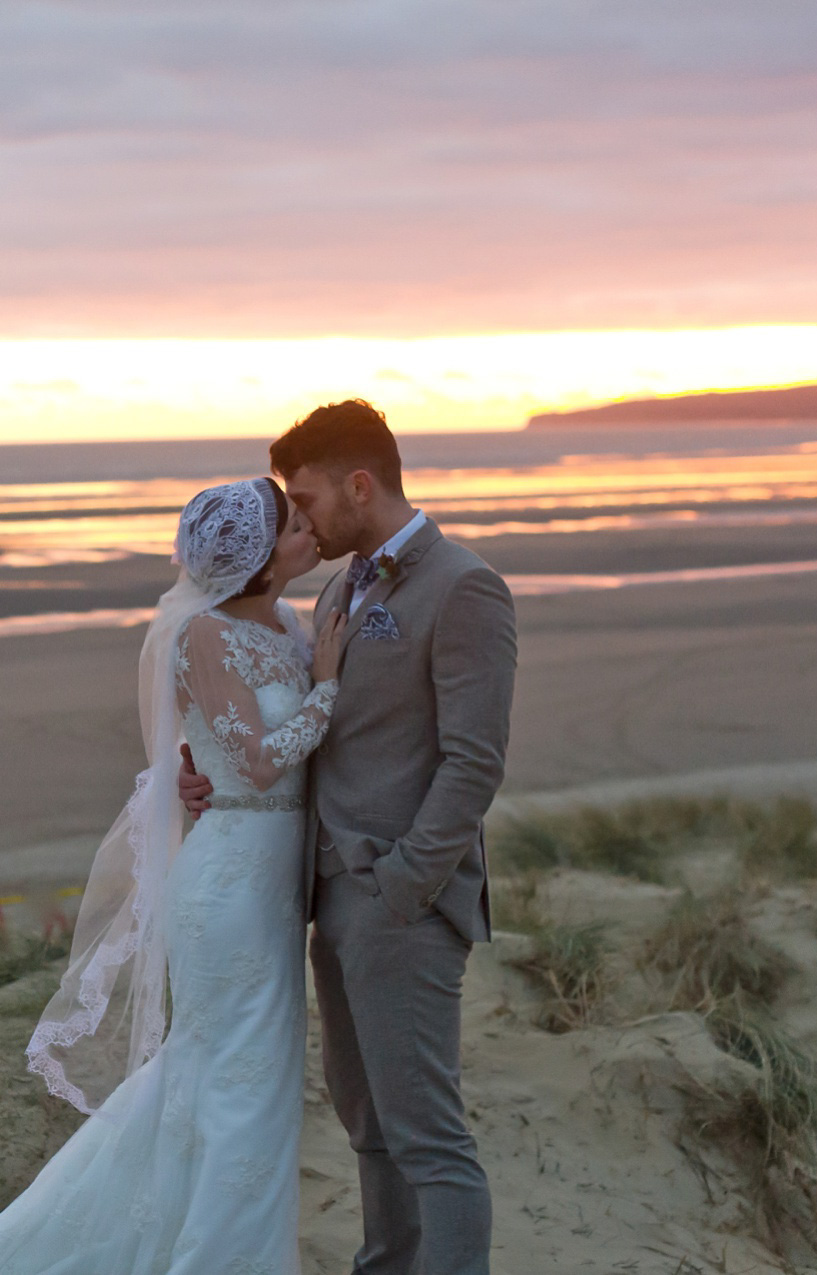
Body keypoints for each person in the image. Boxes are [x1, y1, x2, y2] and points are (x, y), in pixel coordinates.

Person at [181, 399, 518, 1275]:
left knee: (428, 1139)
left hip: (399, 901)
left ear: (360, 484)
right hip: (325, 898)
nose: (303, 519)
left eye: (310, 498)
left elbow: (473, 763)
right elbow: (292, 730)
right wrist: (203, 775)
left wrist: (404, 884)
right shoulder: (338, 587)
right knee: (368, 1127)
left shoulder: (464, 586)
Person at [0, 476, 346, 1274]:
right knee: (239, 1081)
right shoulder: (202, 635)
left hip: (273, 883)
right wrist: (327, 687)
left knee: (239, 1077)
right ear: (258, 558)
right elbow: (257, 763)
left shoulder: (289, 622)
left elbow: (230, 757)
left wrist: (310, 681)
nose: (309, 532)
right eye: (294, 526)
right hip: (227, 887)